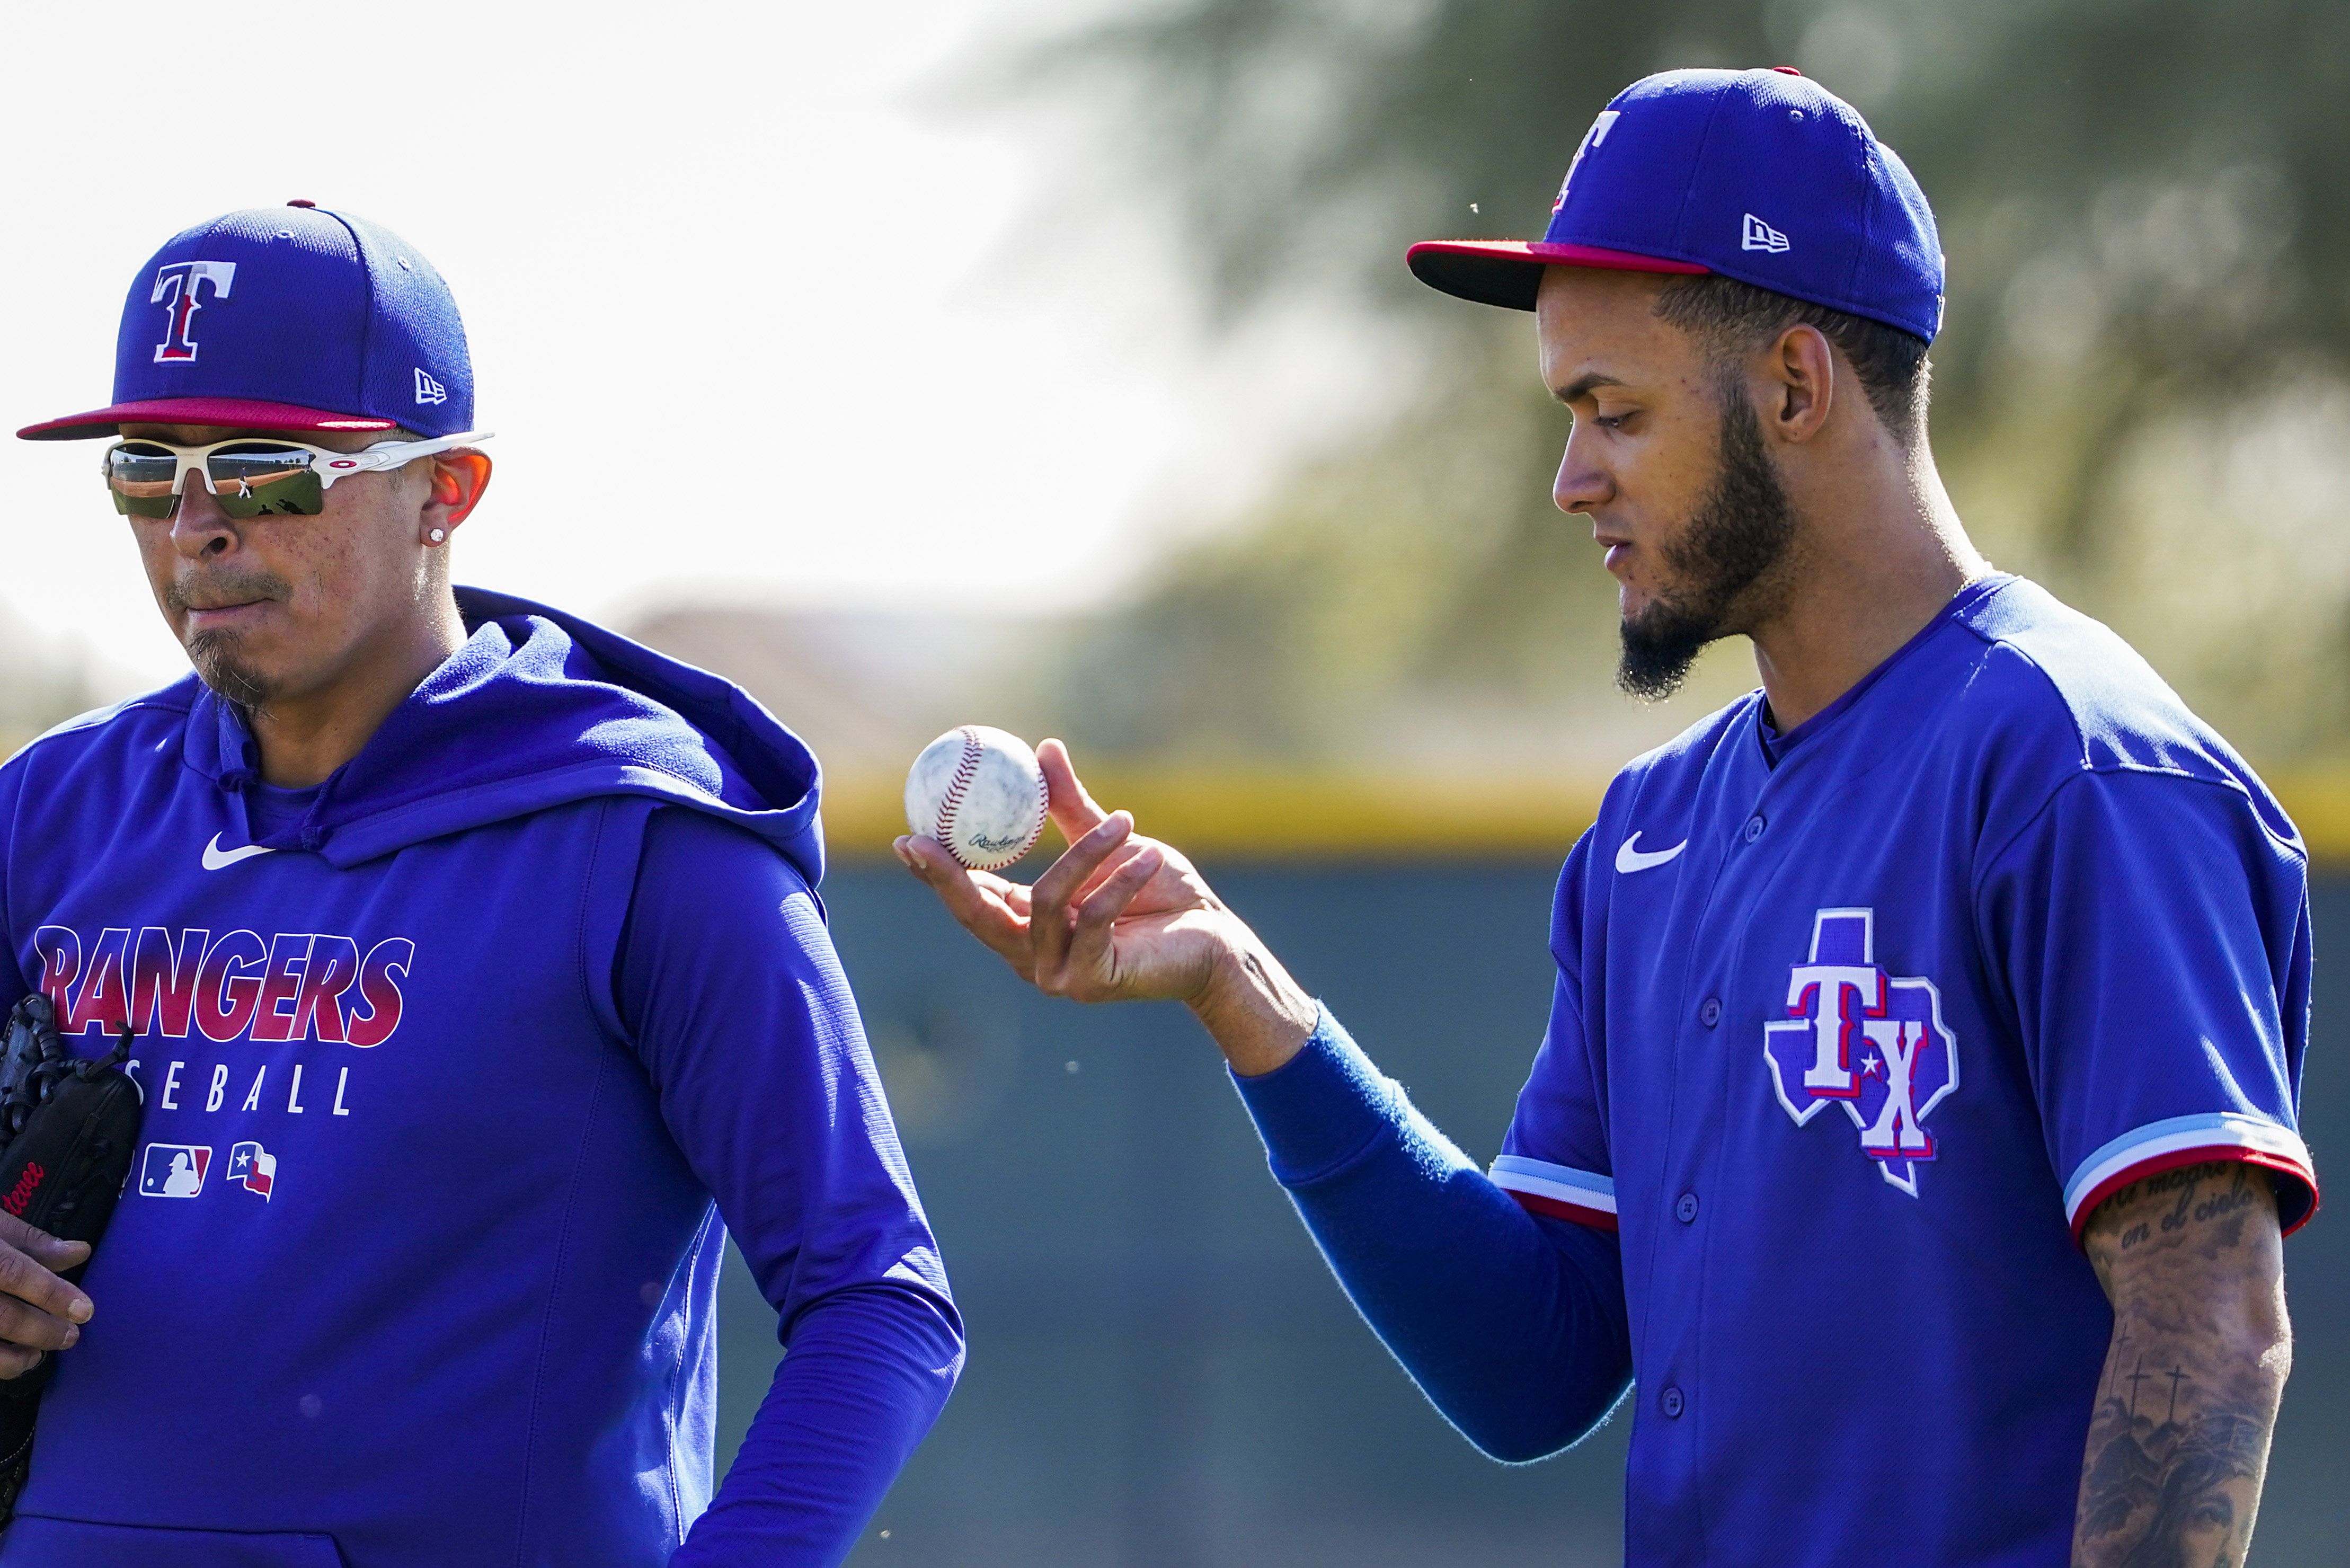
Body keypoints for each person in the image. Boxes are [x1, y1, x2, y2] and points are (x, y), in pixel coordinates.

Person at [898, 67, 2317, 1568]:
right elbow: (1533, 1367)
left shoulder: (2074, 769)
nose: (1572, 480)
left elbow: (2210, 1335)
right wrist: (1240, 996)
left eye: (1613, 411)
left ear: (1789, 385)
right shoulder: (1653, 833)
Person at [0, 202, 960, 1565]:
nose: (194, 525)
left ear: (443, 491)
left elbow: (880, 1301)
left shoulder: (639, 837)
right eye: (147, 468)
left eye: (267, 469)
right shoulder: (51, 811)